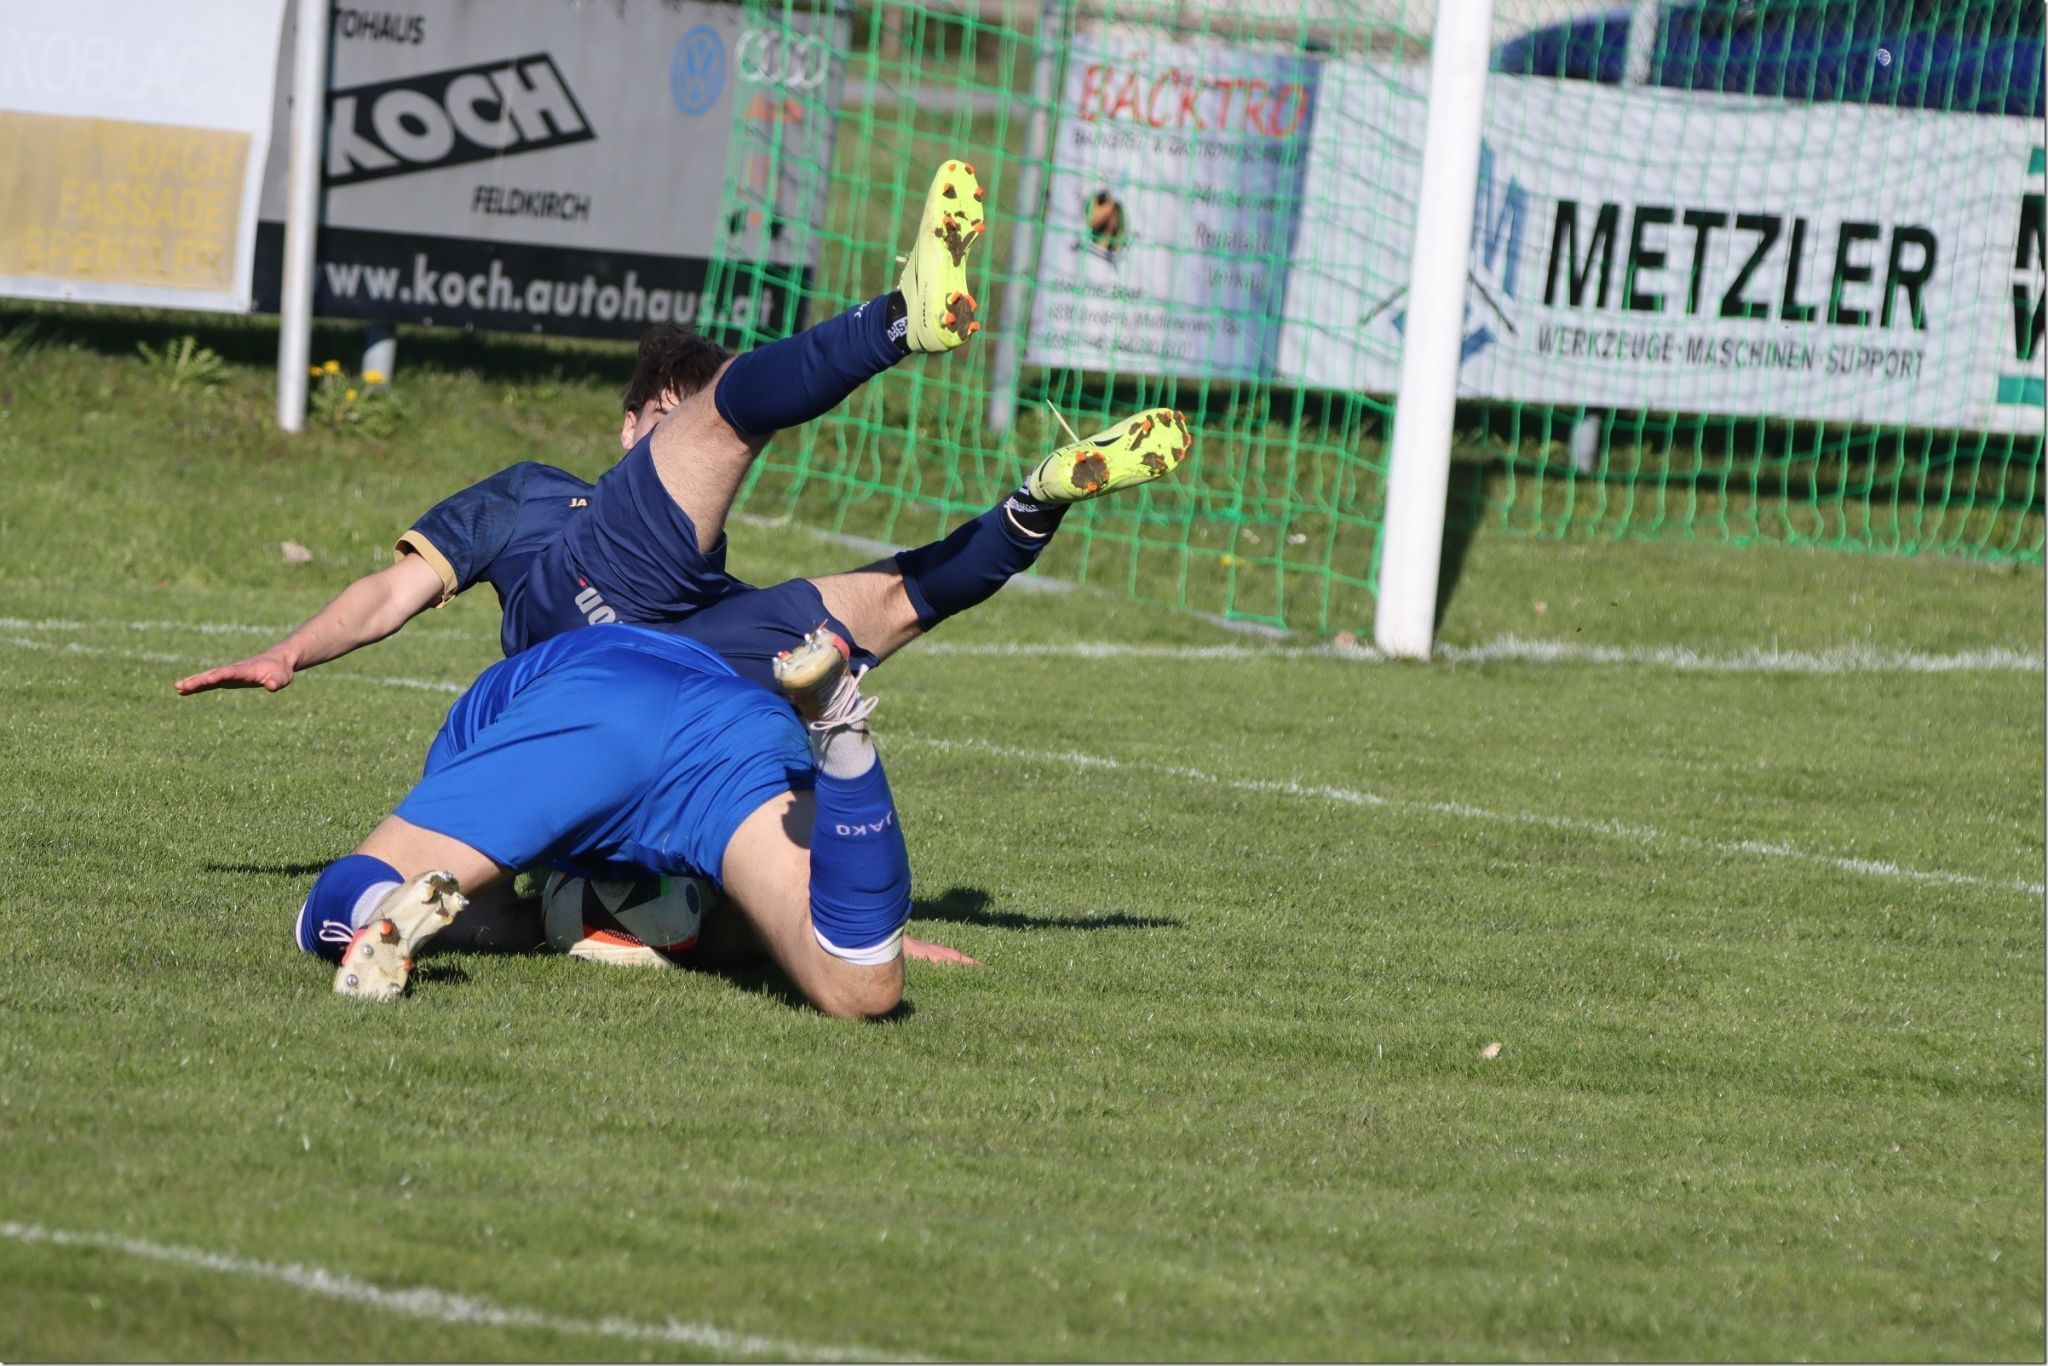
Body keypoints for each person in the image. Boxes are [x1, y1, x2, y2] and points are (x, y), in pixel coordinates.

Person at [314, 624, 925, 1018]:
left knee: (416, 904)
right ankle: (841, 726)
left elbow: (348, 876)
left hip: (587, 716)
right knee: (860, 983)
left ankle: (380, 911)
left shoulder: (476, 732)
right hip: (733, 725)